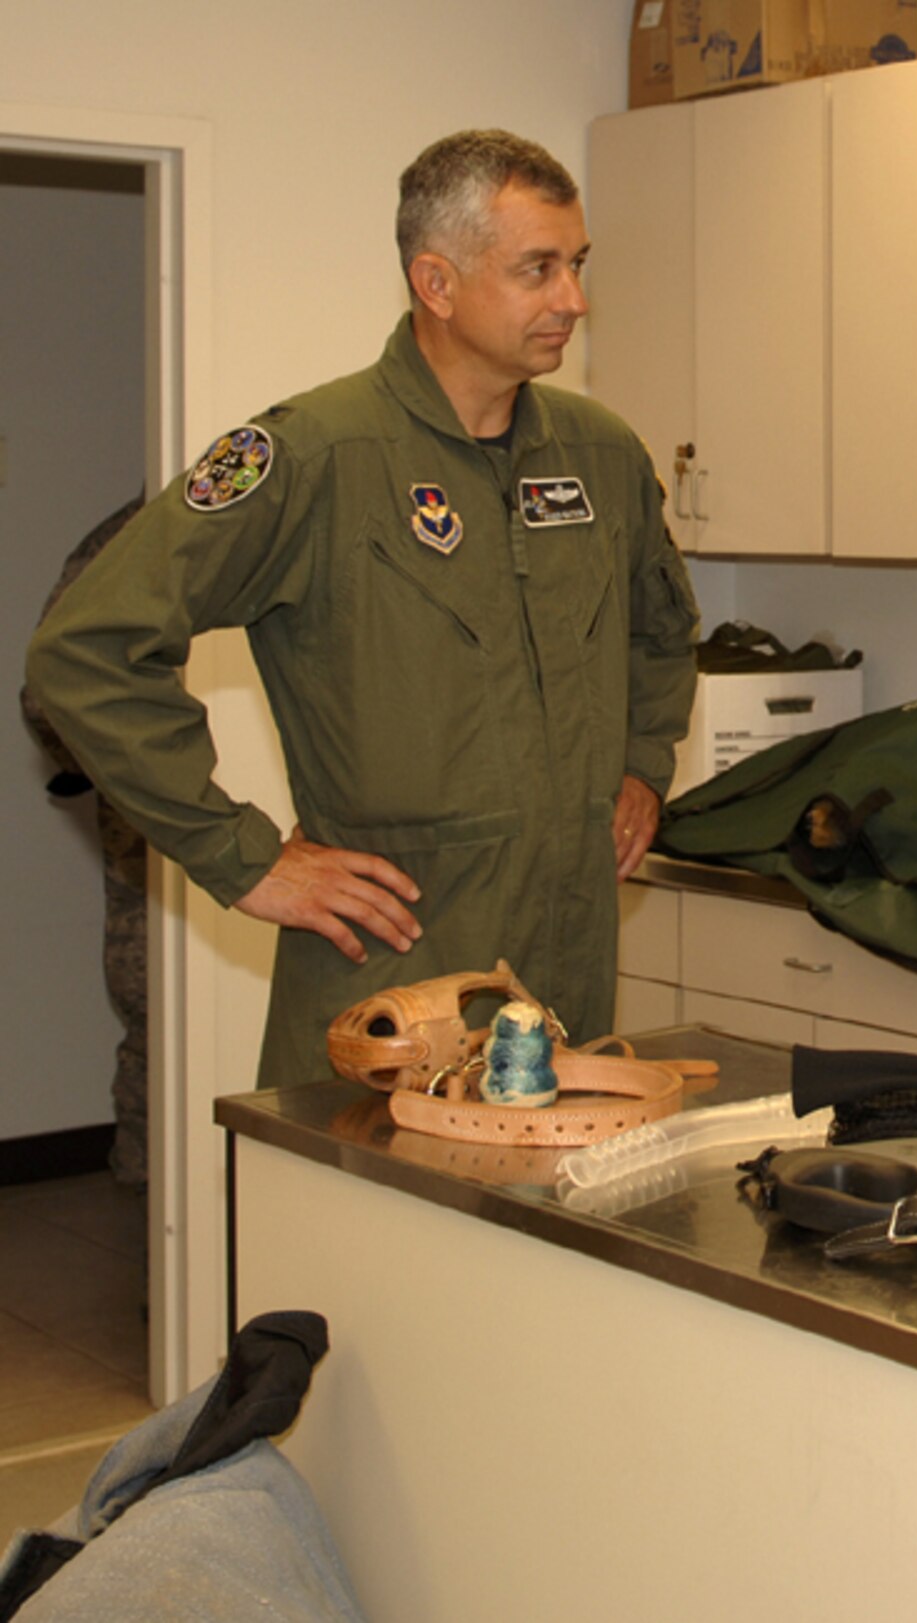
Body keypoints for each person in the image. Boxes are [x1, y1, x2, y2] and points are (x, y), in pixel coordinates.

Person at [26, 130, 699, 1090]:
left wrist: (642, 763)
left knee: (538, 1239)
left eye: (578, 265)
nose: (574, 300)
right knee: (369, 1238)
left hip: (565, 973)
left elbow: (662, 630)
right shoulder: (315, 457)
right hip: (394, 979)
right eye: (538, 269)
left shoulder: (599, 455)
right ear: (437, 282)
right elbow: (84, 652)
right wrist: (245, 856)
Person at [22, 494, 149, 1187]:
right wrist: (151, 780)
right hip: (154, 839)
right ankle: (162, 1266)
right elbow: (48, 692)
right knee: (160, 1034)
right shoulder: (139, 530)